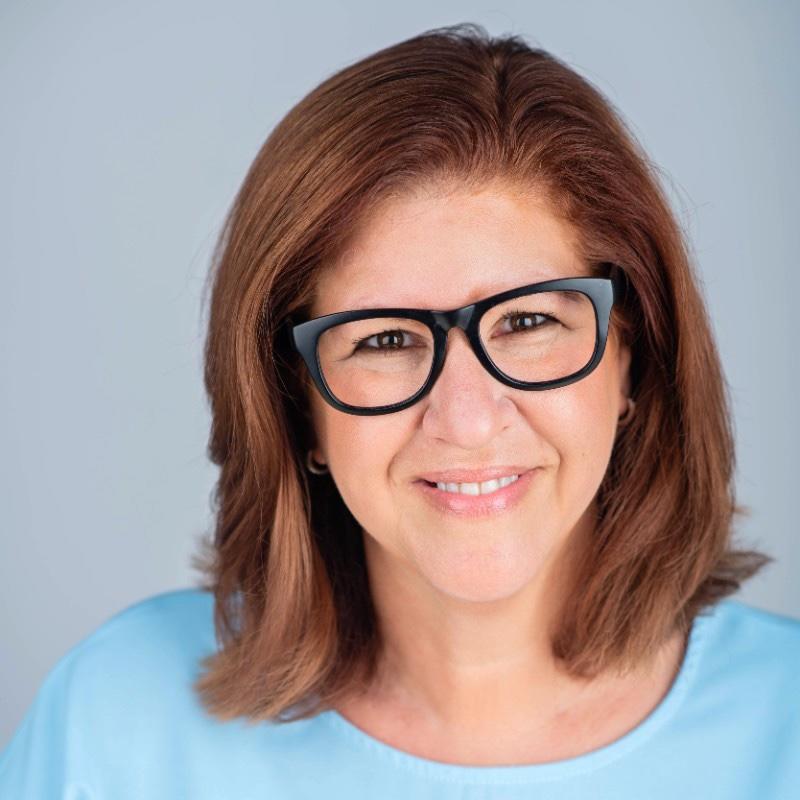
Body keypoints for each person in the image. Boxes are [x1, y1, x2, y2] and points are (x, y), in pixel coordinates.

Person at [2, 22, 799, 798]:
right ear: (297, 404)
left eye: (528, 322)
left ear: (631, 357)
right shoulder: (117, 727)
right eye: (384, 340)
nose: (468, 420)